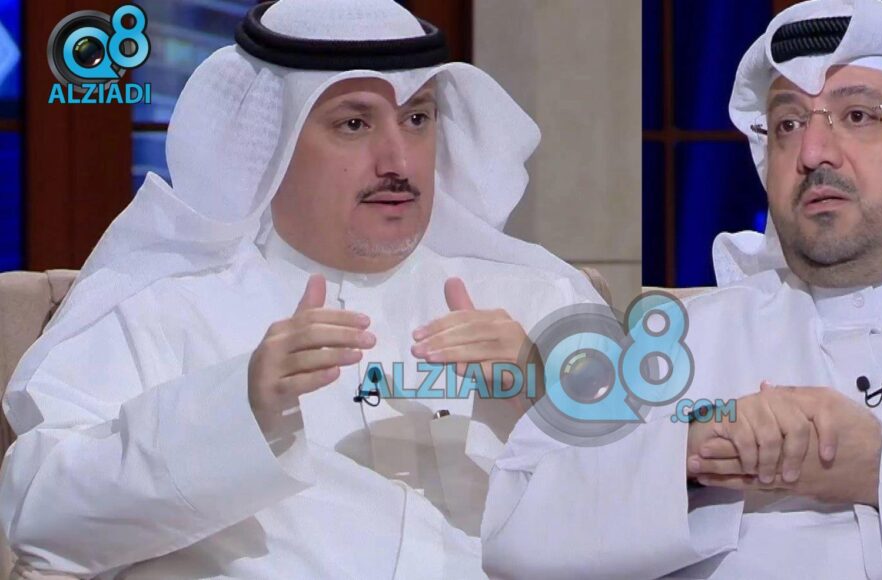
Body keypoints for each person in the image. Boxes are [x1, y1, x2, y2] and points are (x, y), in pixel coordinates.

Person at [481, 1, 882, 578]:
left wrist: (880, 471)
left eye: (859, 115)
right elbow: (516, 535)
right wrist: (691, 457)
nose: (814, 150)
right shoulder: (677, 341)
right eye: (788, 123)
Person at [0, 0, 603, 577]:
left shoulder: (540, 300)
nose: (398, 161)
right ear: (273, 140)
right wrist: (237, 408)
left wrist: (553, 399)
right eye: (354, 124)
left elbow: (645, 509)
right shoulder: (163, 307)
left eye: (417, 119)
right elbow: (41, 518)